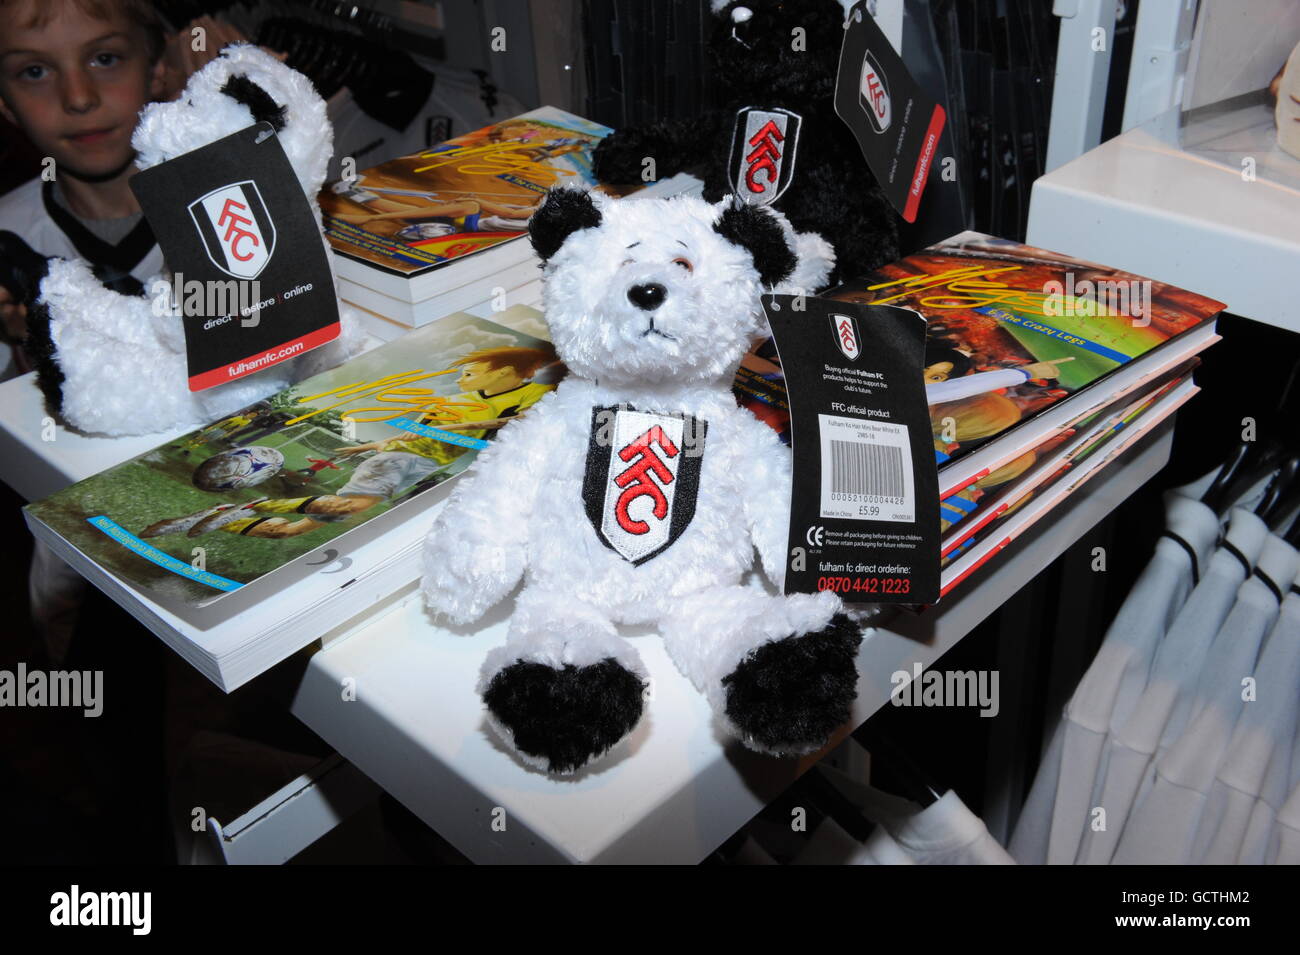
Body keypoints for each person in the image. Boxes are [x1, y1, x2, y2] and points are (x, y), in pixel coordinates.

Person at [141, 345, 560, 540]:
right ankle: (247, 506)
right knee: (348, 508)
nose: (462, 378)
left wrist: (364, 447)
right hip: (400, 461)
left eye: (471, 371)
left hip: (422, 467)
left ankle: (228, 517)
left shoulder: (527, 393)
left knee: (289, 533)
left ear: (504, 371)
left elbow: (528, 409)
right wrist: (374, 449)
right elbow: (414, 435)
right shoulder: (455, 401)